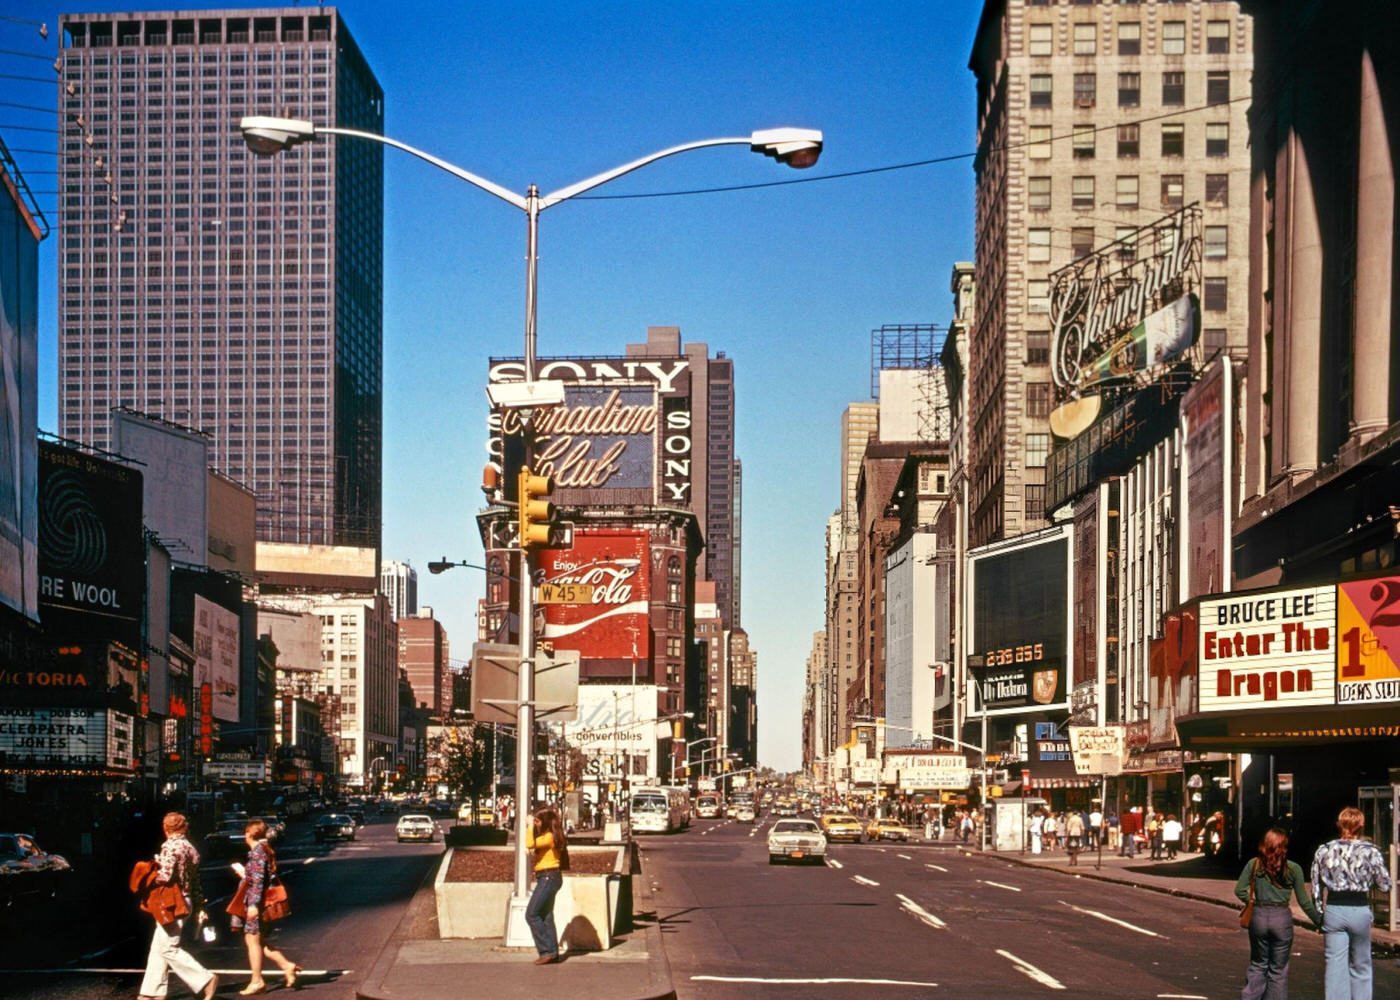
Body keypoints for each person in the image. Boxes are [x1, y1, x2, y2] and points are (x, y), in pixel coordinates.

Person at [1311, 806, 1393, 1000]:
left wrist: (1320, 913)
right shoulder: (1371, 852)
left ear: (1340, 824)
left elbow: (1315, 887)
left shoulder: (1324, 850)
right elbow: (1385, 886)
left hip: (1334, 908)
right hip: (1359, 908)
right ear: (1361, 826)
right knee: (1361, 964)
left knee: (1334, 964)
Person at [138, 812, 218, 1000]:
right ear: (184, 828)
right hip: (187, 899)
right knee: (159, 946)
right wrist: (199, 905)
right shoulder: (190, 848)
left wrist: (150, 874)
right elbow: (196, 880)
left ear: (165, 828)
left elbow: (165, 876)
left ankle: (206, 979)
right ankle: (151, 992)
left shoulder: (169, 846)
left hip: (173, 902)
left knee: (168, 948)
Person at [1236, 827, 1321, 1000]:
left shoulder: (1254, 864)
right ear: (1284, 847)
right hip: (1281, 917)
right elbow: (1304, 902)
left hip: (1259, 915)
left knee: (1258, 964)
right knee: (1278, 970)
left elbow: (1239, 890)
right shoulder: (1293, 869)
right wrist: (1320, 922)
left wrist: (1251, 902)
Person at [234, 818, 301, 995]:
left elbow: (257, 881)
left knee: (252, 940)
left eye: (245, 832)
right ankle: (287, 966)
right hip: (258, 902)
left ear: (249, 833)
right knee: (255, 940)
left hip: (257, 903)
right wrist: (244, 872)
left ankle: (257, 981)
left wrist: (253, 905)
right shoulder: (262, 850)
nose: (244, 835)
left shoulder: (257, 852)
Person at [525, 806, 569, 965]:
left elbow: (530, 843)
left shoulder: (549, 836)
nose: (535, 824)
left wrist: (529, 825)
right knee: (546, 915)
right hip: (549, 876)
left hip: (548, 877)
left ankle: (547, 950)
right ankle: (552, 952)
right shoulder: (550, 836)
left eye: (537, 821)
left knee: (531, 913)